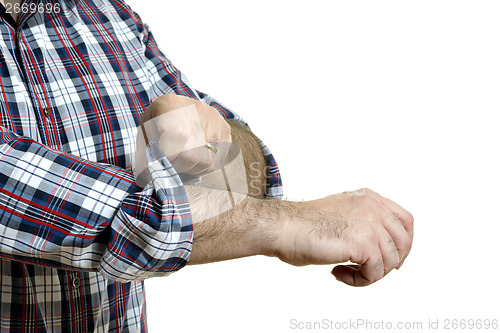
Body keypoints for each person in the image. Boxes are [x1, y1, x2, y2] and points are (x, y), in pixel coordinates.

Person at [0, 0, 414, 332]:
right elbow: (37, 193)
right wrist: (281, 223)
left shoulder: (106, 14)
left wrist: (213, 143)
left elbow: (249, 175)